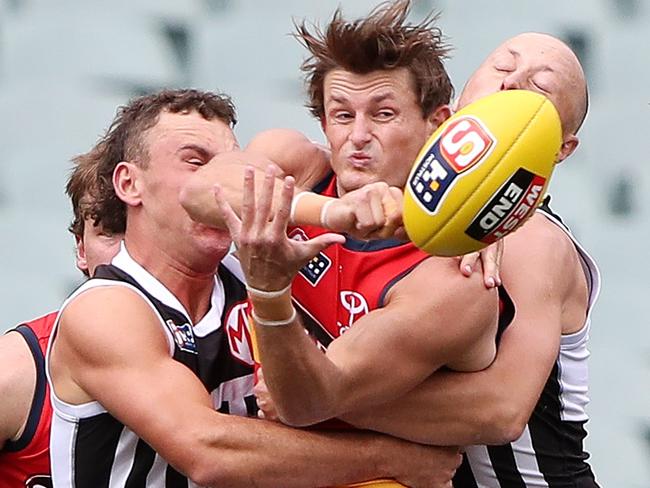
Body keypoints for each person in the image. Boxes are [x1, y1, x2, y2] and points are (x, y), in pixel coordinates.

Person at [218, 30, 600, 487]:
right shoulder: (393, 195)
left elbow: (501, 412)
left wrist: (319, 399)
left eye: (539, 85)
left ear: (561, 148)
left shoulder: (532, 238)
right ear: (458, 102)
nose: (512, 83)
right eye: (503, 66)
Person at [45, 88, 462, 488]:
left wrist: (480, 234)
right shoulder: (106, 308)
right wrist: (387, 459)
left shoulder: (260, 269)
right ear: (129, 184)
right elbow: (208, 451)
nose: (223, 184)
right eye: (196, 164)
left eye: (230, 167)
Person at [0, 150, 123, 488]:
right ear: (81, 249)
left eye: (147, 234)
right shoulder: (14, 375)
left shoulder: (233, 366)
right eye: (111, 233)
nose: (128, 256)